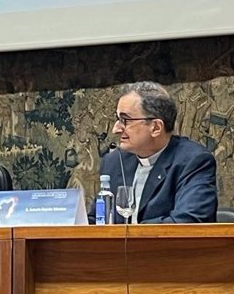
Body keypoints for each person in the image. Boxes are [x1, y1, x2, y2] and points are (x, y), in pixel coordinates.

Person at [93, 82, 217, 224]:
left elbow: (188, 221)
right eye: (117, 119)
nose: (116, 129)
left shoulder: (193, 161)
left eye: (125, 120)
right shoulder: (113, 161)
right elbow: (96, 219)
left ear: (156, 127)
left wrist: (134, 234)